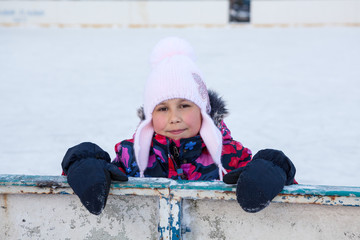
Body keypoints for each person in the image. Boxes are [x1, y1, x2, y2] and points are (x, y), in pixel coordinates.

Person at [61, 37, 296, 215]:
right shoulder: (131, 156)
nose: (174, 118)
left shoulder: (229, 155)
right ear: (149, 116)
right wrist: (83, 163)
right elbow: (90, 178)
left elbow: (289, 189)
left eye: (184, 105)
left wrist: (273, 169)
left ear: (203, 109)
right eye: (162, 109)